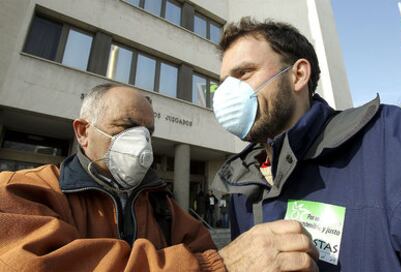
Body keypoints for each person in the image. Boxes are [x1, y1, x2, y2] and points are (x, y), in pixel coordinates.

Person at [0, 83, 319, 271]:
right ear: (83, 132)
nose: (141, 144)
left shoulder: (164, 206)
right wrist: (210, 267)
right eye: (126, 128)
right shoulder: (26, 191)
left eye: (147, 133)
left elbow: (202, 245)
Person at [212, 17, 401, 272]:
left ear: (298, 75)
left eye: (244, 73)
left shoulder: (392, 139)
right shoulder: (240, 186)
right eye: (223, 84)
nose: (227, 94)